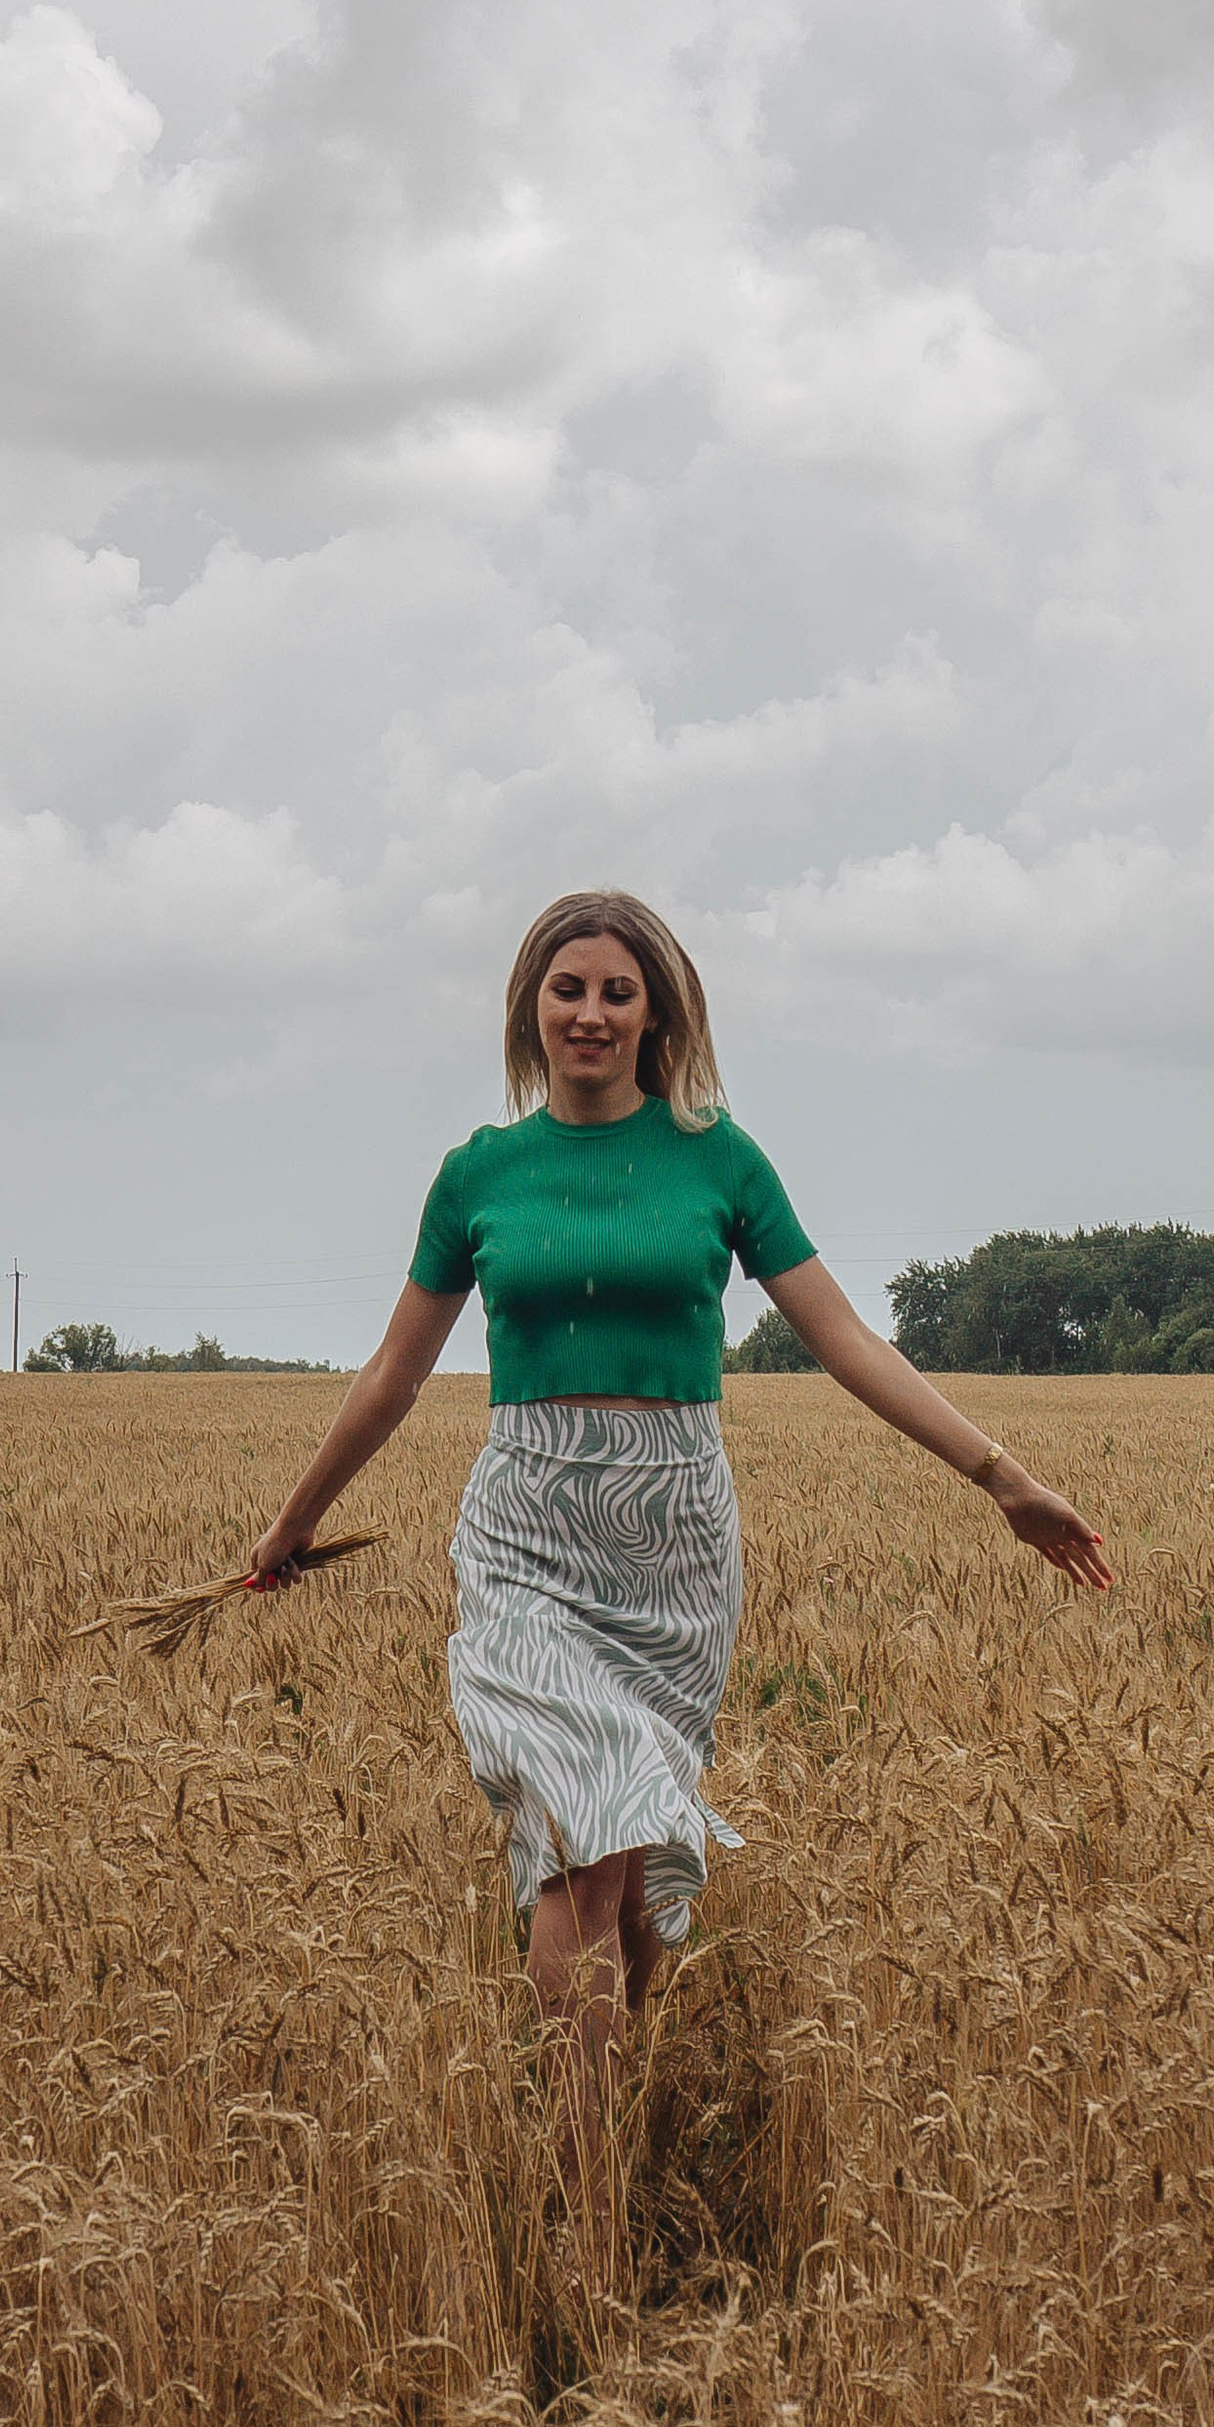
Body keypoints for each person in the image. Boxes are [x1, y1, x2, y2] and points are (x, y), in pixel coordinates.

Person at [248, 894, 1112, 2280]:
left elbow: (840, 1338)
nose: (589, 1013)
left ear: (660, 1016)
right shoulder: (478, 1174)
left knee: (632, 1874)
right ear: (531, 1008)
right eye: (565, 989)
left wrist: (999, 1475)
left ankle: (612, 2095)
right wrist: (287, 1530)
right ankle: (583, 2203)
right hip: (527, 1525)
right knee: (574, 1844)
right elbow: (391, 1375)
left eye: (617, 993)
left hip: (675, 1546)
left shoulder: (720, 1162)